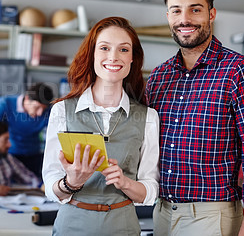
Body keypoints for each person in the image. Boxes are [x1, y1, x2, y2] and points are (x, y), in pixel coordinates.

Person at [145, 0, 244, 236]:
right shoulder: (159, 76)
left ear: (211, 14)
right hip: (161, 213)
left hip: (212, 217)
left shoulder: (241, 70)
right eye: (176, 11)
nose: (184, 19)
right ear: (168, 17)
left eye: (195, 10)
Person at [42, 16, 160, 235]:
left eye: (124, 50)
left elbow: (150, 189)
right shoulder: (62, 111)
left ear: (133, 58)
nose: (113, 57)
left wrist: (125, 183)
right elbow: (50, 184)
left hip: (122, 227)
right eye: (104, 48)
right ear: (92, 54)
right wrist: (71, 183)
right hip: (71, 226)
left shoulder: (148, 117)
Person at [0, 82, 54, 178]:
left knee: (34, 186)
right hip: (9, 155)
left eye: (43, 109)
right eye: (37, 107)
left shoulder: (47, 112)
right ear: (27, 98)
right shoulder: (5, 103)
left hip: (34, 156)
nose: (40, 113)